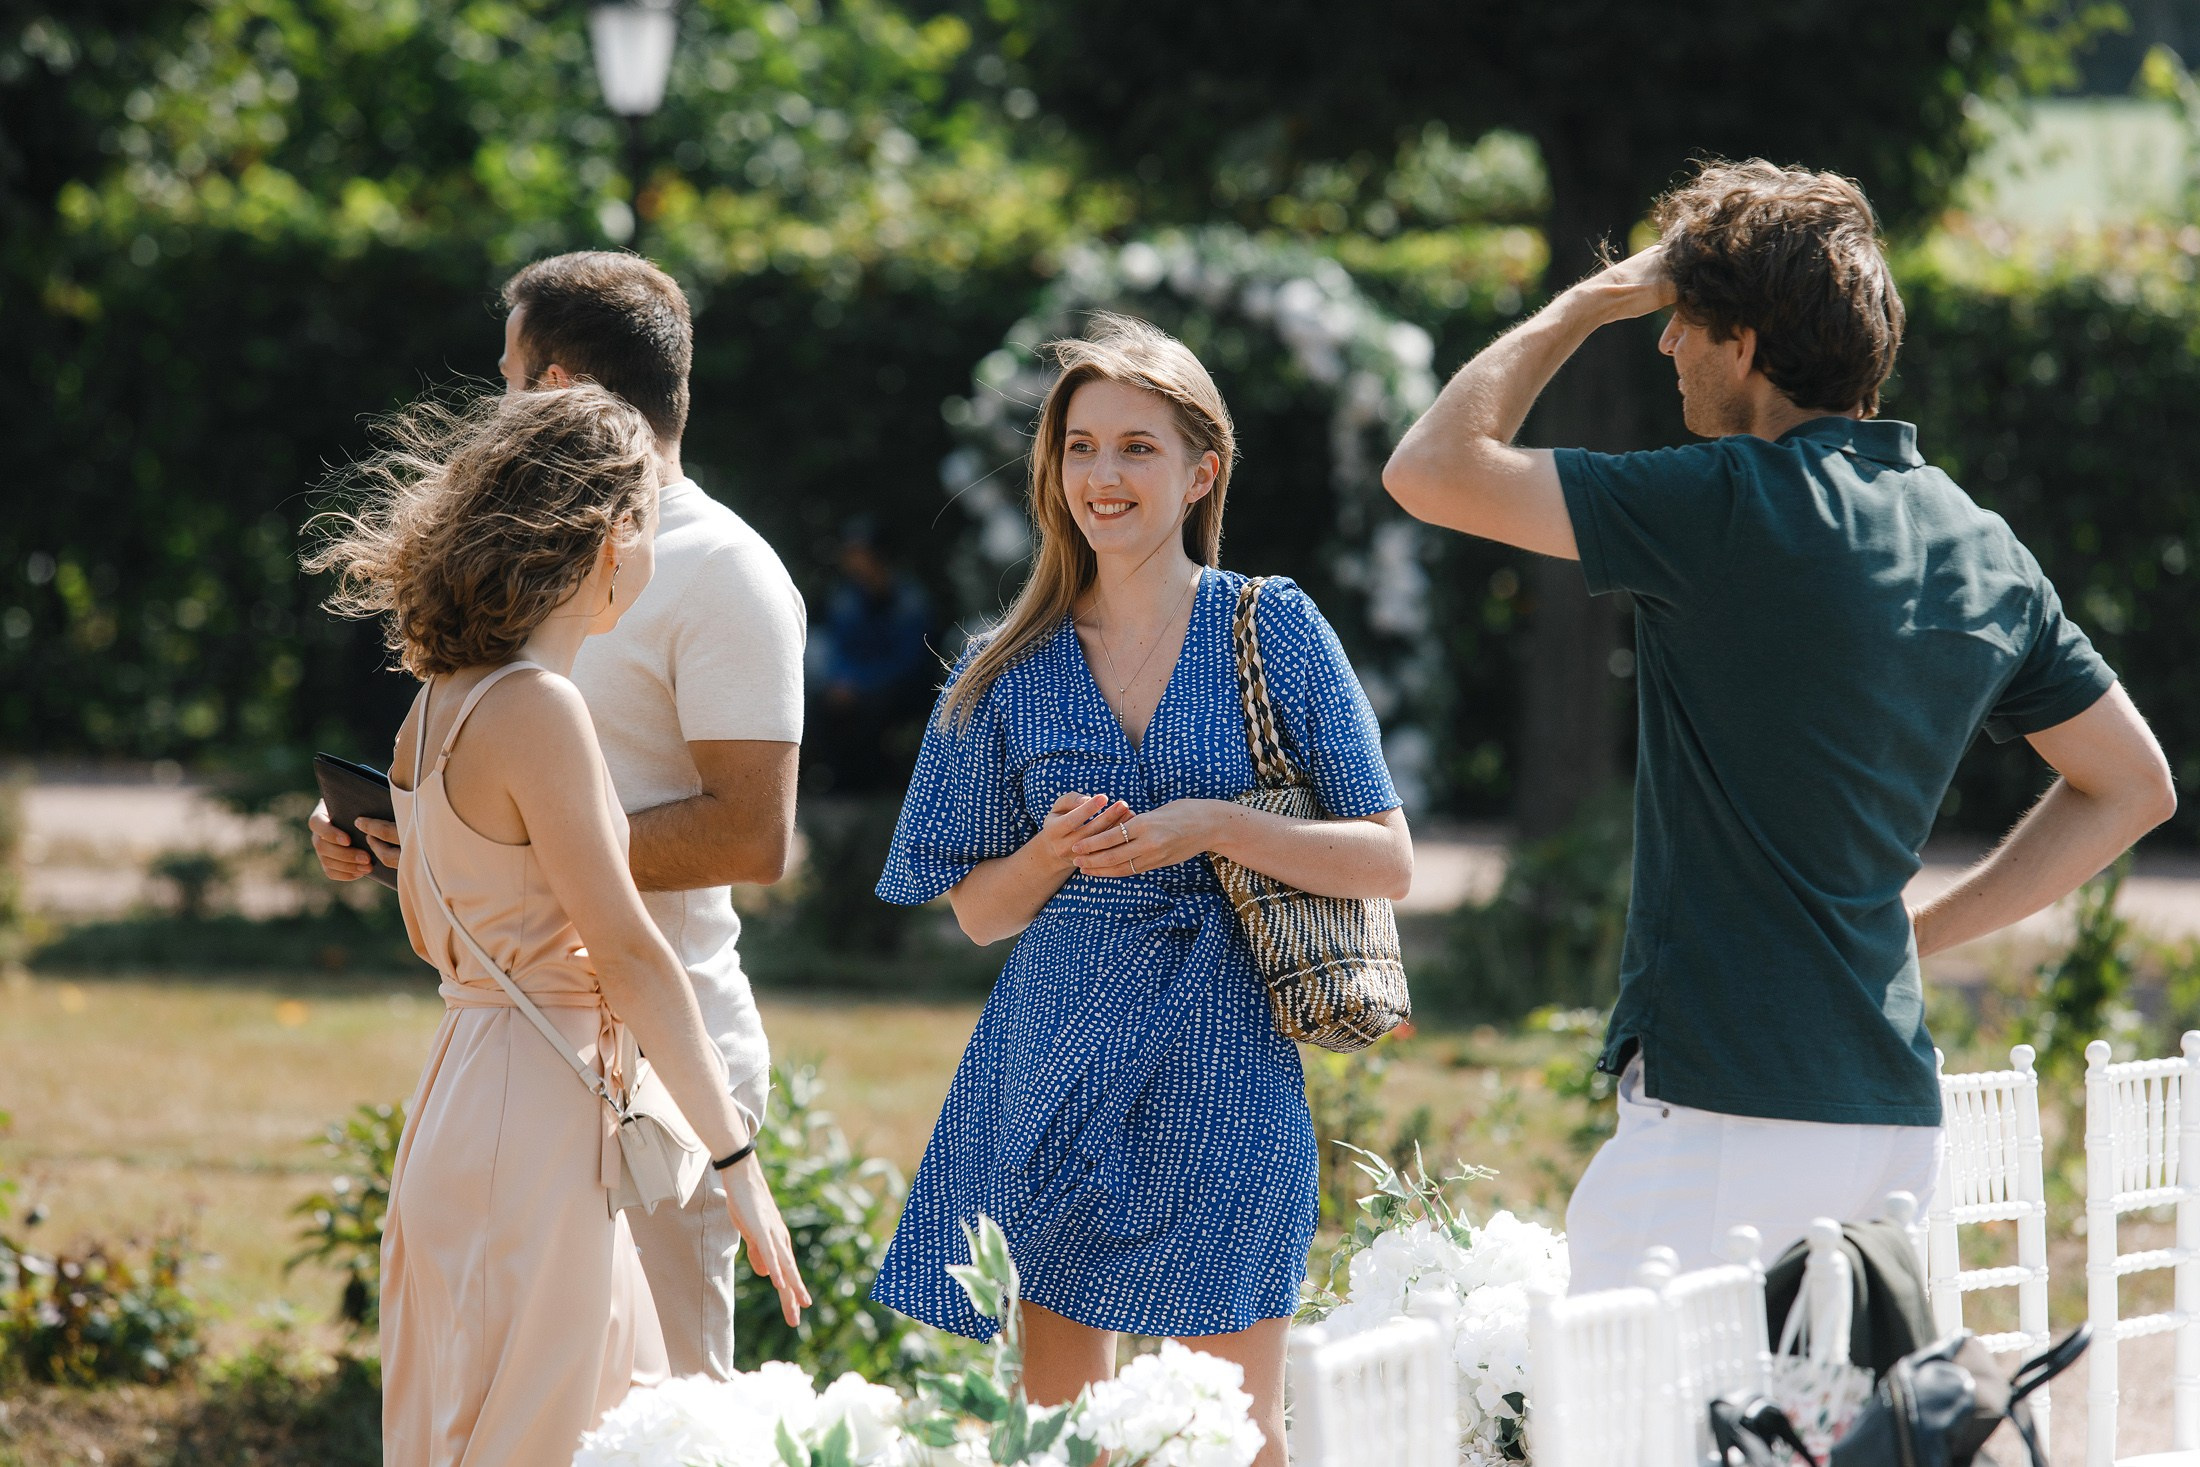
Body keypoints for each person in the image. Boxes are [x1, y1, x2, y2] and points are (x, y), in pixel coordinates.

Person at [1382, 159, 2177, 1291]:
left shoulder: (1720, 504)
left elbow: (1429, 470)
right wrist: (1917, 937)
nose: (1664, 346)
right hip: (1891, 1120)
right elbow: (2132, 786)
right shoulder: (1977, 541)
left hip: (1723, 1113)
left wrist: (1587, 301)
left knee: (1620, 1433)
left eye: (1680, 322)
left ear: (1743, 343)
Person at [872, 314, 1413, 1467]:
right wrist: (1049, 853)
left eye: (1136, 448)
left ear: (1199, 470)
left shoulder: (1272, 626)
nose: (1102, 477)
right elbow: (976, 914)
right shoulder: (1001, 667)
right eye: (1079, 448)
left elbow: (1388, 856)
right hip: (1053, 1064)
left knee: (1231, 1435)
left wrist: (1213, 825)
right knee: (1067, 1442)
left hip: (1224, 1063)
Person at [309, 251, 807, 1377]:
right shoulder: (533, 577)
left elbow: (752, 832)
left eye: (506, 371)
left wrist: (527, 848)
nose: (495, 397)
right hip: (532, 1054)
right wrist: (410, 836)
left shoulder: (727, 570)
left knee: (663, 1411)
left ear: (560, 383)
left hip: (657, 1071)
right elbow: (480, 775)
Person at [805, 518, 938, 793]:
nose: (851, 560)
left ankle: (877, 784)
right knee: (821, 705)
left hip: (898, 687)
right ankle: (838, 783)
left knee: (874, 708)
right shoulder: (845, 599)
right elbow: (838, 648)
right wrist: (842, 682)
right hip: (853, 685)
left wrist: (860, 684)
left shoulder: (909, 599)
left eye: (858, 553)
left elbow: (911, 662)